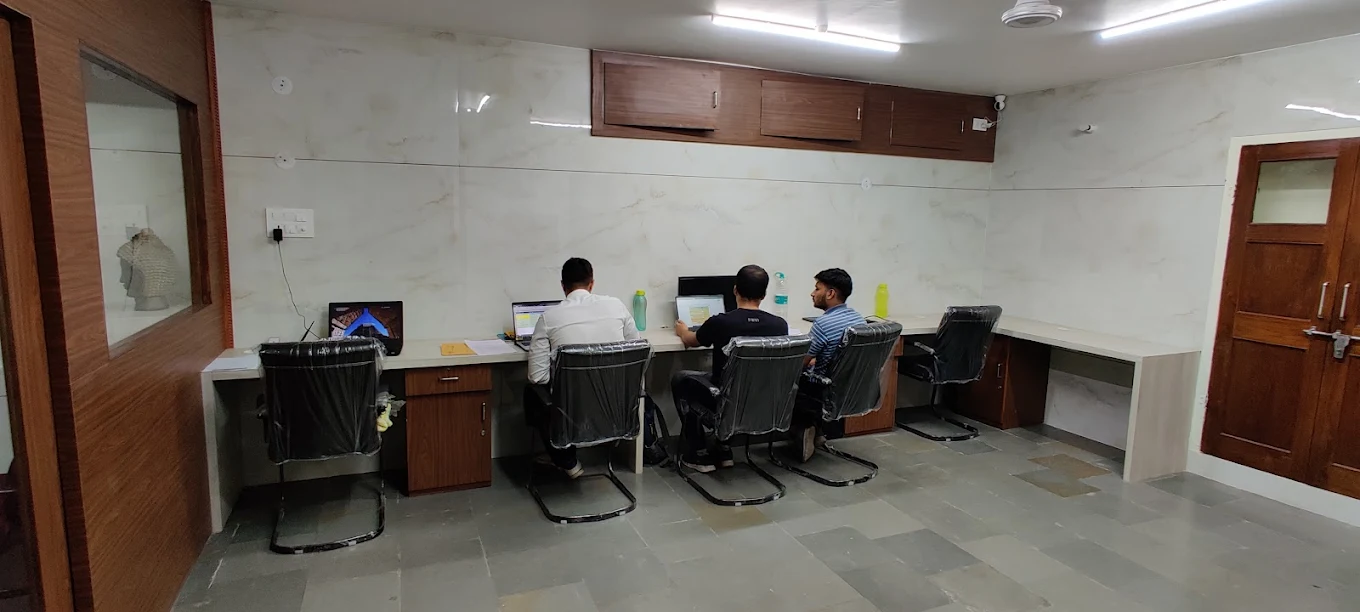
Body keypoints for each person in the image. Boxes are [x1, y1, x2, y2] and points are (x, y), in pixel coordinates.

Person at [525, 257, 640, 478]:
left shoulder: (549, 318)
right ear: (592, 283)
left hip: (572, 412)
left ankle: (566, 460)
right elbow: (635, 350)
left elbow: (538, 377)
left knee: (532, 394)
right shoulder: (616, 306)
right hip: (615, 409)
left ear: (563, 286)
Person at [672, 265, 787, 473]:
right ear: (764, 294)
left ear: (735, 290)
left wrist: (682, 330)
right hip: (762, 402)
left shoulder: (721, 322)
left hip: (725, 403)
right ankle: (723, 449)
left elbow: (690, 340)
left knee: (681, 380)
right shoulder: (780, 325)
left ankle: (699, 453)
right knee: (732, 384)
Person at [792, 268, 866, 462]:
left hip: (823, 389)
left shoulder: (823, 324)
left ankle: (806, 429)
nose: (812, 293)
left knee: (788, 377)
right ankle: (817, 433)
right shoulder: (859, 319)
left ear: (830, 293)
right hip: (849, 387)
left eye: (817, 288)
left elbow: (801, 362)